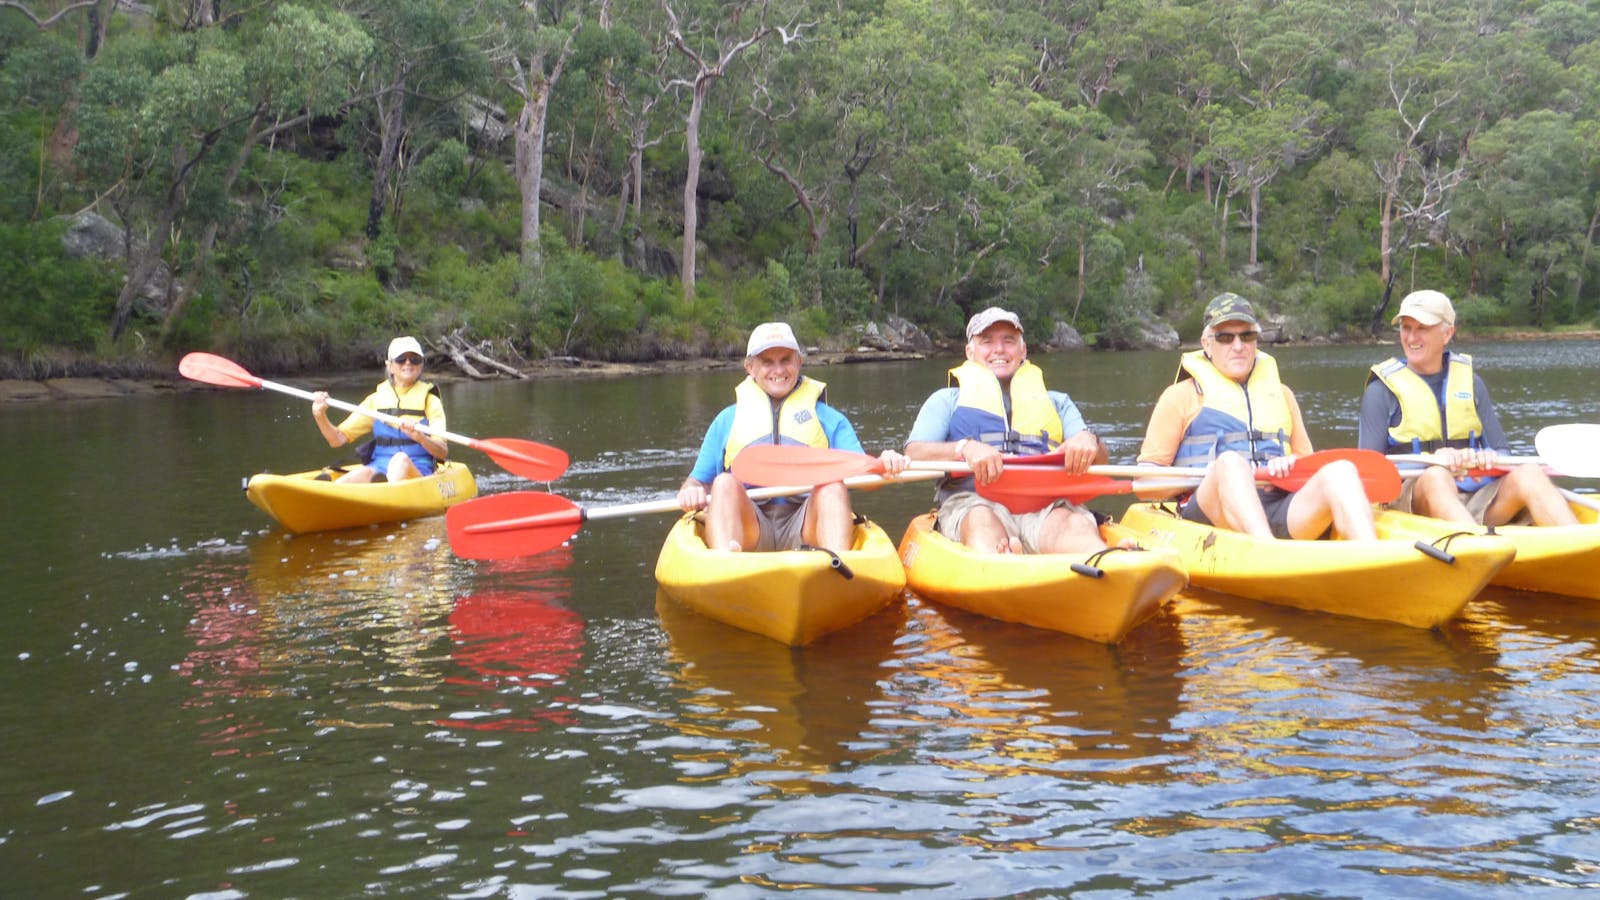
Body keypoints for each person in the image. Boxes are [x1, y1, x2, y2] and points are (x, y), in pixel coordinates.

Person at [1137, 292, 1377, 540]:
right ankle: (1267, 549)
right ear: (1207, 344)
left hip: (1277, 504)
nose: (1238, 346)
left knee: (1341, 471)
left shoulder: (1283, 395)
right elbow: (1145, 482)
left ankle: (1373, 557)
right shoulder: (1180, 396)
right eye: (1225, 337)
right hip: (1213, 514)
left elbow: (1308, 467)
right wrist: (1206, 473)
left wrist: (1291, 468)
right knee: (1230, 463)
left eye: (1247, 336)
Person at [676, 322, 908, 553]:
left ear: (798, 361)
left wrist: (884, 463)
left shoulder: (830, 420)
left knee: (832, 485)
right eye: (767, 362)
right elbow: (697, 480)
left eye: (785, 359)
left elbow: (864, 476)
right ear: (750, 366)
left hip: (806, 522)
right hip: (751, 525)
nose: (778, 370)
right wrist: (691, 490)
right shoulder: (726, 421)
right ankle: (725, 563)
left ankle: (836, 568)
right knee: (723, 482)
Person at [1358, 289, 1577, 527]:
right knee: (1437, 477)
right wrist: (1432, 460)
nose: (1411, 338)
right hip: (1414, 501)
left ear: (1447, 333)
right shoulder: (1380, 392)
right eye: (1406, 328)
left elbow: (1503, 453)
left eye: (1422, 328)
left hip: (1472, 496)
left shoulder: (1472, 384)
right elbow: (1369, 472)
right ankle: (1482, 549)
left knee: (1531, 473)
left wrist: (1488, 457)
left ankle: (1585, 550)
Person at [904, 306, 1112, 555]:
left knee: (1072, 523)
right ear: (970, 351)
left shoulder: (1058, 402)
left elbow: (1100, 458)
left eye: (1008, 341)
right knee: (980, 519)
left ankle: (1106, 564)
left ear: (1022, 350)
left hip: (1045, 505)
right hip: (974, 501)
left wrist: (1089, 441)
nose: (999, 350)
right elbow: (913, 453)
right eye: (987, 341)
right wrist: (964, 448)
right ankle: (1000, 564)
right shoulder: (946, 400)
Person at [311, 336, 448, 483]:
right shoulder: (376, 401)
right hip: (380, 468)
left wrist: (421, 437)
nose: (408, 363)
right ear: (390, 365)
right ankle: (329, 493)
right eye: (401, 359)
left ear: (421, 365)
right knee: (365, 471)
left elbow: (442, 451)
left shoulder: (430, 401)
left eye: (414, 359)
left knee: (400, 459)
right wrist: (320, 415)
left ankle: (385, 496)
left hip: (418, 471)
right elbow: (336, 439)